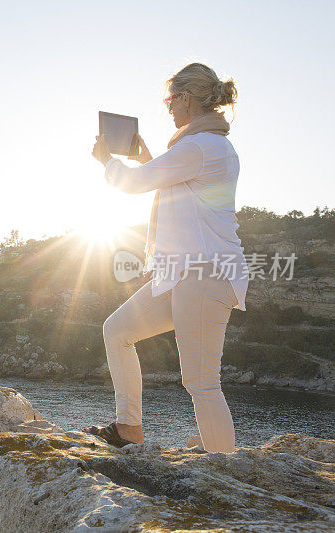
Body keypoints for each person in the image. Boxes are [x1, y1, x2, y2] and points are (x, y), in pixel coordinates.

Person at [84, 62, 249, 453]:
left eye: (169, 99)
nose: (168, 108)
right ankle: (129, 428)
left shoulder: (202, 146)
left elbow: (136, 184)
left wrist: (108, 161)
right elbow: (176, 189)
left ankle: (224, 474)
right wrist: (147, 160)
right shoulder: (203, 147)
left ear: (187, 98)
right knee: (117, 330)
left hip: (206, 274)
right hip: (185, 275)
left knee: (202, 382)